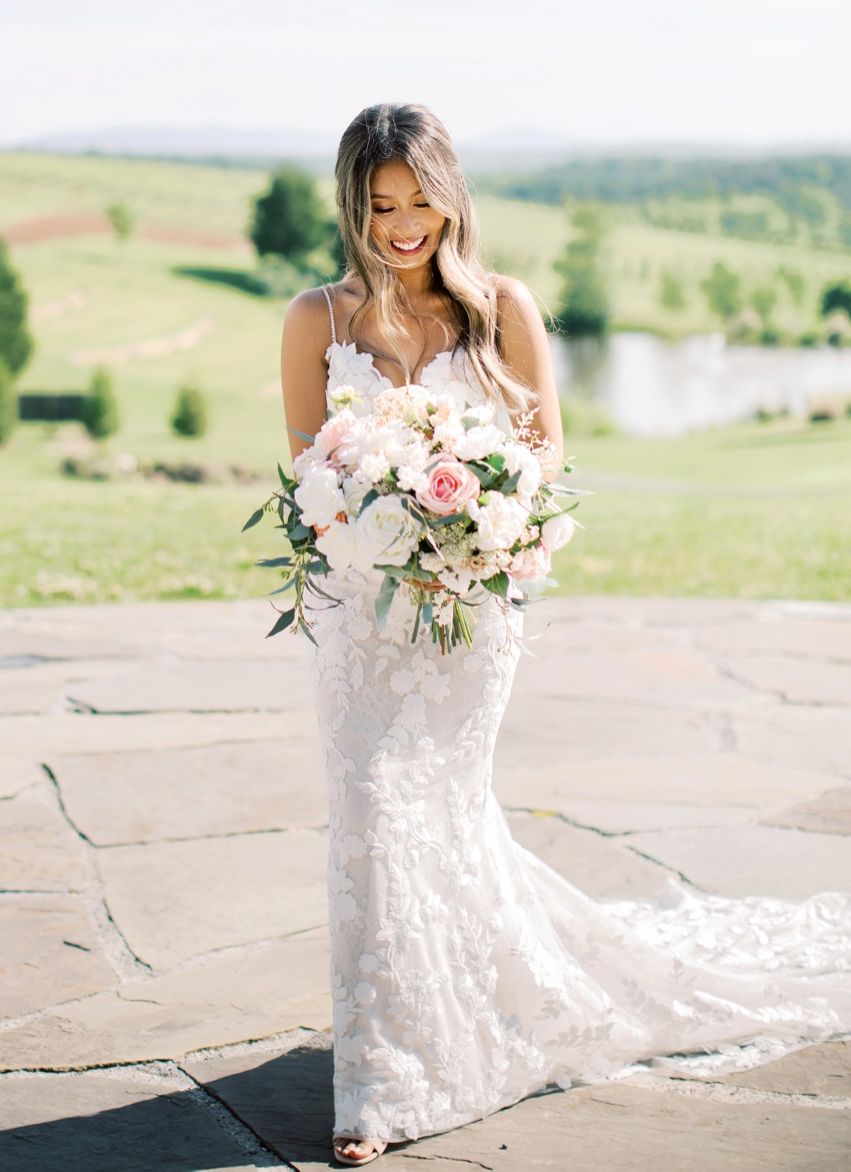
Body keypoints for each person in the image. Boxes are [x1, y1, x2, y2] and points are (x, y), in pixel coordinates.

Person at [277, 103, 850, 1165]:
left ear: (451, 194)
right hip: (360, 618)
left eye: (418, 201)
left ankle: (403, 1061)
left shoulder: (504, 310)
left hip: (469, 614)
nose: (401, 226)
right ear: (351, 208)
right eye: (378, 206)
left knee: (435, 810)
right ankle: (386, 1067)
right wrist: (376, 513)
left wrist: (468, 533)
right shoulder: (316, 316)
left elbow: (540, 477)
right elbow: (309, 477)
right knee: (367, 809)